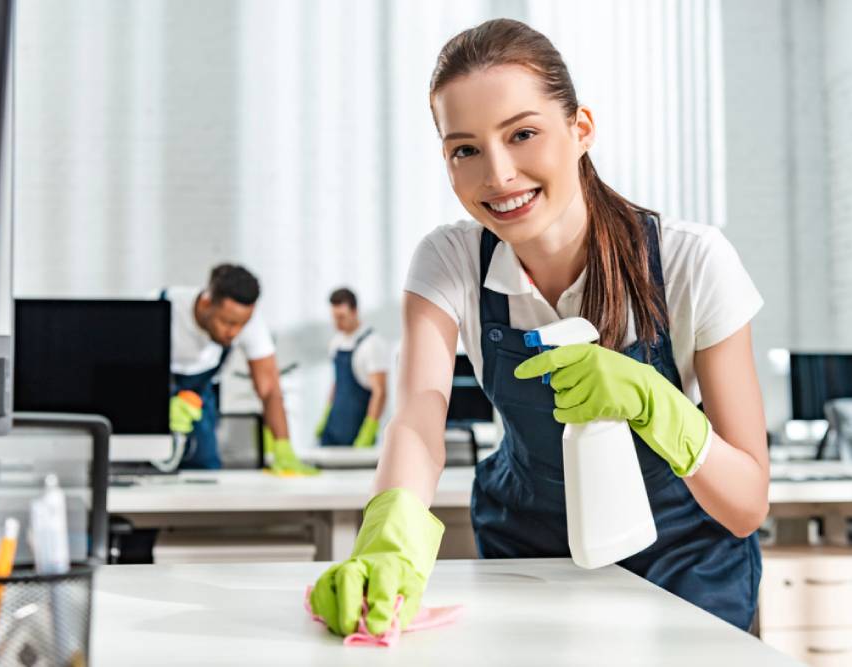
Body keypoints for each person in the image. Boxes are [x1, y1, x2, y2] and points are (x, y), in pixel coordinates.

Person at [309, 19, 768, 635]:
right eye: (464, 149)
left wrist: (660, 407)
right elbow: (420, 411)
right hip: (529, 553)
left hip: (685, 562)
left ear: (580, 130)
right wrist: (388, 535)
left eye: (522, 133)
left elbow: (746, 507)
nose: (497, 175)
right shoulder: (450, 261)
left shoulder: (690, 261)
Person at [164, 264, 315, 474]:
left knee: (205, 467)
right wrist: (158, 408)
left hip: (199, 399)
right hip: (151, 395)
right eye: (227, 322)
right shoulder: (163, 306)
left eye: (242, 324)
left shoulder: (249, 324)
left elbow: (269, 388)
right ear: (207, 303)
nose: (234, 332)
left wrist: (283, 446)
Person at [315, 288, 389, 447]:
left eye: (342, 317)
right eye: (334, 318)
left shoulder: (372, 344)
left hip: (356, 432)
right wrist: (326, 415)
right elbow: (336, 383)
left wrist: (369, 431)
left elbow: (380, 392)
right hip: (332, 430)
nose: (337, 323)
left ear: (355, 311)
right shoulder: (336, 342)